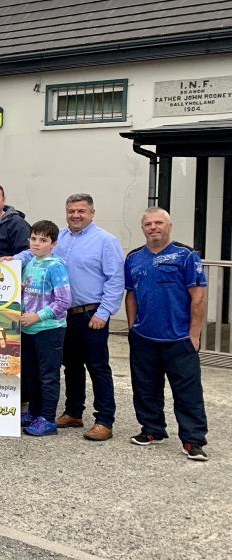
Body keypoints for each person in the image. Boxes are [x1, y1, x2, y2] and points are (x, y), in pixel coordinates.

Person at [124, 208, 209, 461]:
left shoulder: (186, 256)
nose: (153, 227)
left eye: (158, 222)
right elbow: (130, 295)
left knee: (188, 392)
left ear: (169, 226)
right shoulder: (134, 258)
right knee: (145, 387)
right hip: (144, 337)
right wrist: (132, 328)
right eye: (148, 224)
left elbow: (198, 296)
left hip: (179, 338)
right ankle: (152, 430)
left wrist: (194, 334)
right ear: (143, 229)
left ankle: (192, 440)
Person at [49, 193, 124, 442]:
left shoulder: (106, 241)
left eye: (81, 211)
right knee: (71, 366)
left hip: (92, 314)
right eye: (71, 211)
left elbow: (115, 279)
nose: (76, 215)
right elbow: (36, 254)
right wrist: (11, 260)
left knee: (98, 367)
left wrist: (104, 313)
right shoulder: (58, 237)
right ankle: (73, 412)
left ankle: (104, 420)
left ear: (92, 212)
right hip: (63, 314)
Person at [14, 220, 71, 436]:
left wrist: (36, 316)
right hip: (27, 329)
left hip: (49, 329)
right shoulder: (30, 264)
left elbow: (63, 301)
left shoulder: (56, 266)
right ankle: (34, 412)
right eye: (34, 238)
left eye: (43, 240)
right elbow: (27, 293)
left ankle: (48, 419)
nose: (37, 243)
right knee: (32, 374)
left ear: (53, 244)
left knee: (48, 375)